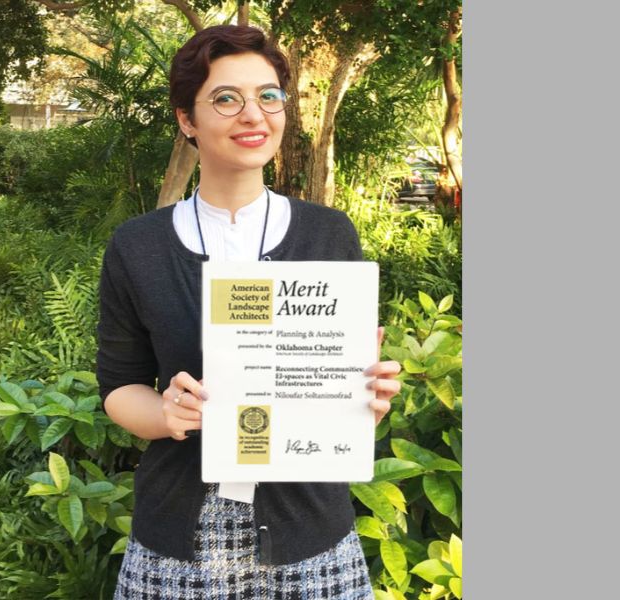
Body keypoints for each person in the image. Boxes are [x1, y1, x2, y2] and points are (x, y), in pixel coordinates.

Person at [96, 24, 402, 599]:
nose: (253, 115)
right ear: (187, 119)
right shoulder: (138, 246)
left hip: (310, 539)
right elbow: (118, 387)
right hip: (179, 543)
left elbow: (335, 391)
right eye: (226, 98)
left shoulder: (328, 234)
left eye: (268, 96)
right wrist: (167, 413)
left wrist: (365, 396)